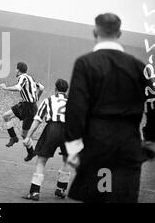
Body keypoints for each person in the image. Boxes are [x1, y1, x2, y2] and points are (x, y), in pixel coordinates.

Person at [64, 13, 155, 203]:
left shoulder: (86, 63)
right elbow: (152, 104)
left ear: (95, 31)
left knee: (98, 198)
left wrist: (72, 149)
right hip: (129, 145)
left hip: (98, 146)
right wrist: (151, 140)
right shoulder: (139, 66)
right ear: (119, 33)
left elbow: (76, 108)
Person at [22, 79, 71, 201]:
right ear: (67, 90)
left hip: (53, 129)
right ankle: (61, 189)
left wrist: (28, 136)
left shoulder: (48, 100)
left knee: (41, 160)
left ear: (55, 89)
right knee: (67, 160)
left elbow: (38, 119)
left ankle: (34, 192)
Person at [0, 62, 44, 162]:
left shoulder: (22, 77)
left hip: (29, 108)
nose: (15, 71)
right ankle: (13, 138)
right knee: (6, 116)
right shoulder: (31, 78)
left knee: (24, 134)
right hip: (26, 105)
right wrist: (36, 98)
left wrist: (5, 88)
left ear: (19, 70)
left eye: (16, 69)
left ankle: (31, 152)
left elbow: (18, 88)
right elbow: (41, 88)